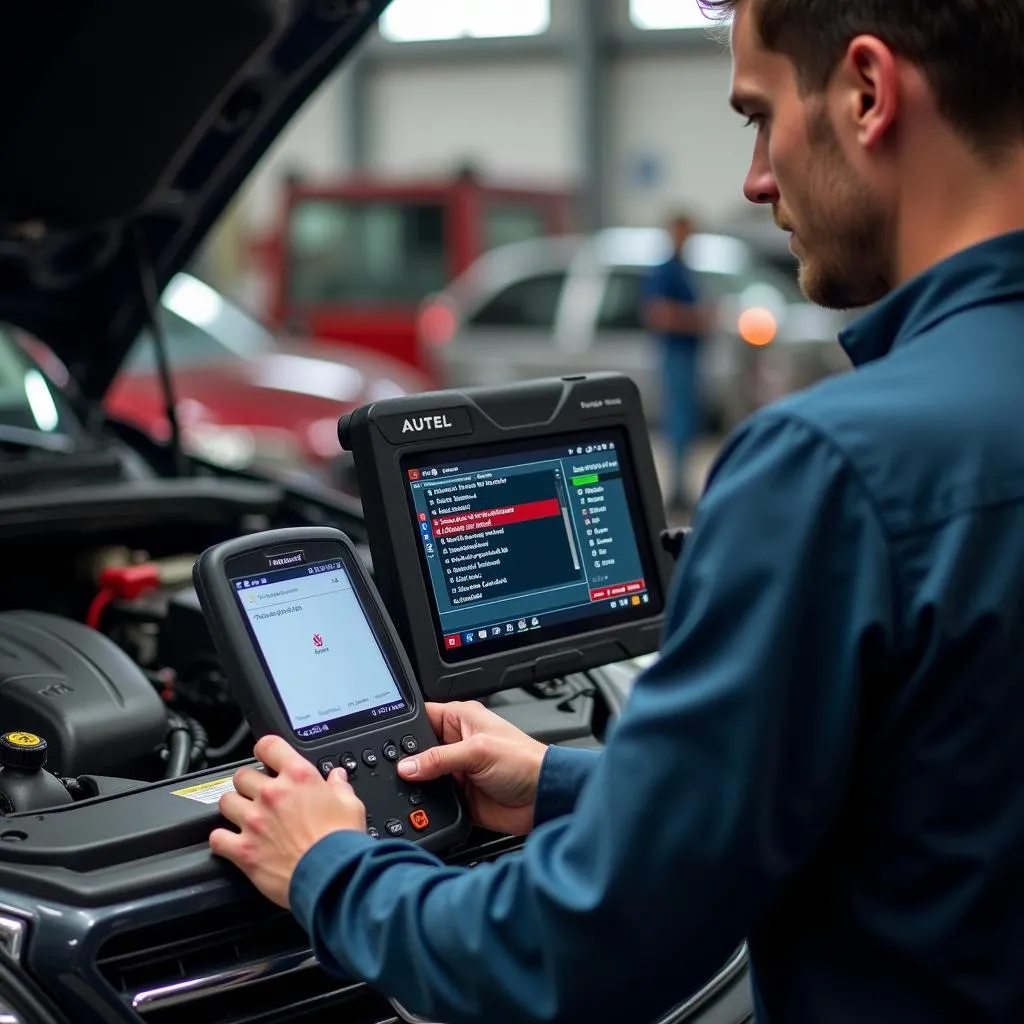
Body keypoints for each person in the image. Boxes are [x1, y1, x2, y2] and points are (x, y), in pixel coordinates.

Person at [210, 1, 1024, 1021]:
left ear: (867, 92)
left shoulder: (833, 471)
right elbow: (925, 804)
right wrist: (567, 786)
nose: (755, 177)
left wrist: (327, 863)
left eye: (758, 116)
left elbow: (570, 953)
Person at [642, 212, 712, 511]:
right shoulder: (665, 272)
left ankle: (682, 486)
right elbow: (658, 314)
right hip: (676, 353)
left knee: (689, 422)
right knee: (678, 422)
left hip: (690, 353)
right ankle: (677, 489)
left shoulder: (685, 269)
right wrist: (699, 319)